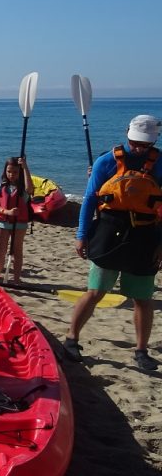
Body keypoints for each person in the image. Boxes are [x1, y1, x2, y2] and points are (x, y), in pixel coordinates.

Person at [66, 115, 162, 371]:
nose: (139, 149)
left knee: (142, 298)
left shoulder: (161, 163)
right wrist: (81, 235)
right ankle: (71, 339)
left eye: (145, 145)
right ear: (126, 133)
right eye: (135, 143)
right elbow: (89, 199)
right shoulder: (106, 161)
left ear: (155, 140)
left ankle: (141, 350)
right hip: (109, 234)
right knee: (95, 292)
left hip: (145, 237)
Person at [0, 157, 34, 284]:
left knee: (17, 252)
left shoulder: (23, 190)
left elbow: (30, 189)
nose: (11, 175)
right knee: (0, 252)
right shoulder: (1, 187)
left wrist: (25, 167)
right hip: (3, 223)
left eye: (15, 172)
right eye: (9, 171)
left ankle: (16, 279)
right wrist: (7, 212)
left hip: (19, 225)